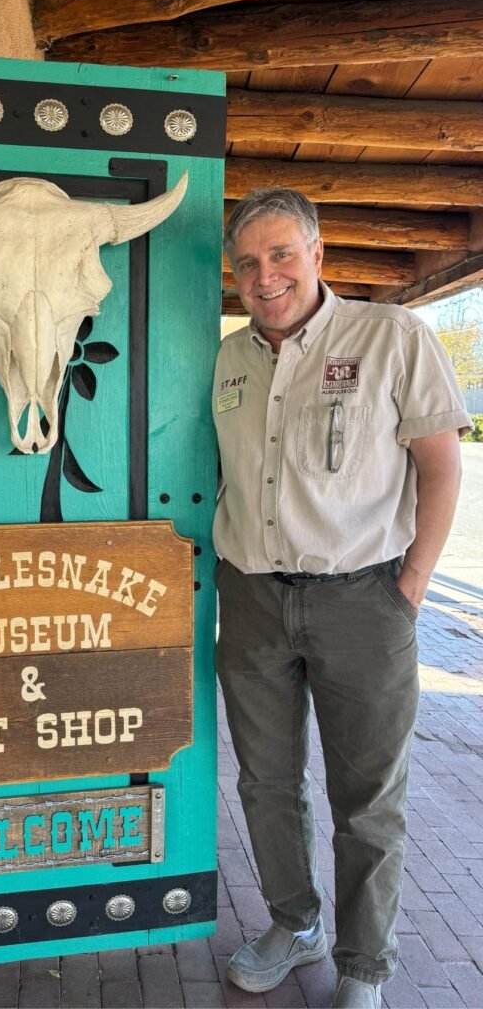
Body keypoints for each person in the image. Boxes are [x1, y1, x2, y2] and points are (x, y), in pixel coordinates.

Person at [213, 188, 471, 1009]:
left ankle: (364, 966)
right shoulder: (228, 359)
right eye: (249, 263)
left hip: (365, 600)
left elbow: (441, 464)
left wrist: (413, 587)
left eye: (282, 254)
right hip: (252, 597)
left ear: (318, 254)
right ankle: (294, 925)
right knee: (265, 781)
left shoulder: (391, 336)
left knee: (367, 796)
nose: (266, 276)